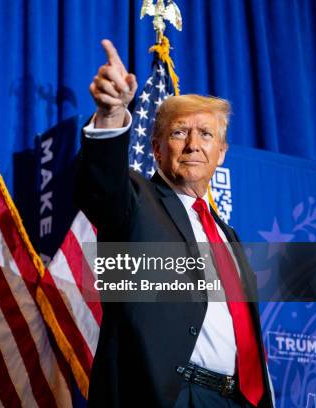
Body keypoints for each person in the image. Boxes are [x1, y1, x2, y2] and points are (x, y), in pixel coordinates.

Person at [75, 39, 274, 408]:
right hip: (171, 397)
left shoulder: (228, 237)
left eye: (206, 135)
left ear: (221, 154)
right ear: (156, 148)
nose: (193, 145)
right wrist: (111, 115)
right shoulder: (136, 201)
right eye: (180, 132)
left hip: (238, 399)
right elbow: (100, 186)